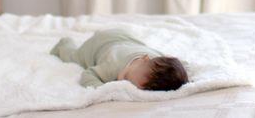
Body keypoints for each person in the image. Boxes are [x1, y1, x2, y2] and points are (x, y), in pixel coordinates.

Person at [51, 29, 189, 91]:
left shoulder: (154, 57)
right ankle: (65, 43)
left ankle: (100, 32)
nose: (124, 84)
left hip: (120, 34)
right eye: (128, 79)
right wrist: (102, 89)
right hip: (96, 46)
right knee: (72, 58)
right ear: (144, 58)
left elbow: (180, 65)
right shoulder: (112, 66)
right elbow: (87, 74)